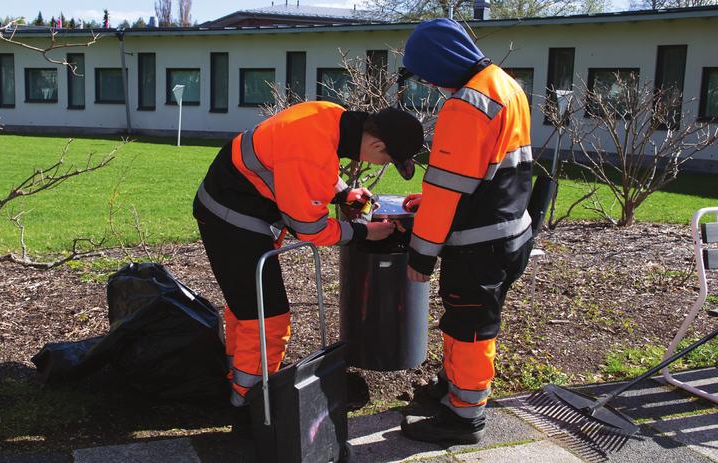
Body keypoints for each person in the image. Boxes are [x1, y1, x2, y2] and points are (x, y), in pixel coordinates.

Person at [194, 100, 424, 431]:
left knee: (248, 310)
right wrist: (365, 233)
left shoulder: (330, 116)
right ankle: (249, 408)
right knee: (268, 320)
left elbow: (311, 168)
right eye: (388, 157)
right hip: (232, 218)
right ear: (375, 144)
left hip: (234, 207)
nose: (384, 162)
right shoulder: (311, 150)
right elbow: (312, 230)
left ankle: (237, 377)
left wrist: (344, 194)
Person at [398, 18, 535, 444]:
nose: (428, 82)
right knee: (465, 318)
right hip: (511, 231)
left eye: (426, 74)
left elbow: (444, 188)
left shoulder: (465, 105)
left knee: (470, 327)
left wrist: (421, 254)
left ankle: (464, 417)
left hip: (479, 244)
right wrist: (443, 205)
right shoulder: (504, 86)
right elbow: (486, 170)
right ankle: (452, 389)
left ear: (440, 64)